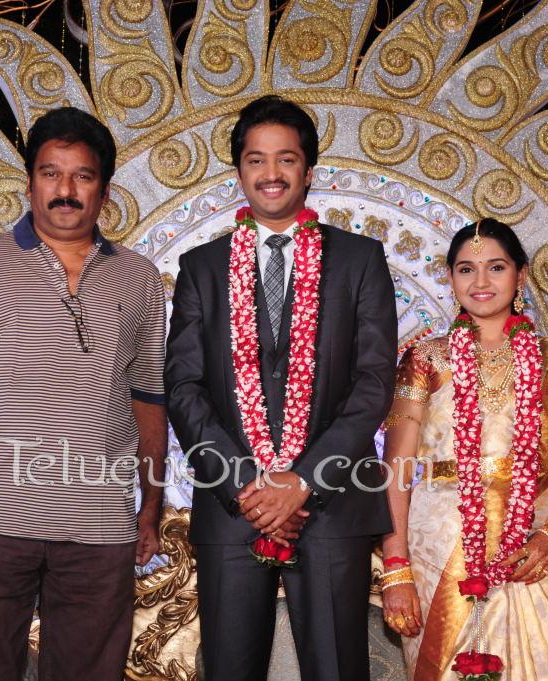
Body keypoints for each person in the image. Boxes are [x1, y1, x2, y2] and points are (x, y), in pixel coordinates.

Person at [0, 107, 168, 681]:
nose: (65, 190)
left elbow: (149, 399)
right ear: (30, 184)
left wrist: (149, 507)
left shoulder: (139, 277)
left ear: (104, 191)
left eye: (82, 176)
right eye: (51, 173)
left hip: (100, 522)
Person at [165, 95, 398, 681]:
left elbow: (373, 383)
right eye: (256, 160)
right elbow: (184, 386)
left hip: (333, 505)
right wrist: (247, 486)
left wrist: (304, 480)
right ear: (239, 172)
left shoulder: (360, 260)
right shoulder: (201, 267)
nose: (271, 173)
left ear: (308, 170)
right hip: (233, 507)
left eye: (286, 159)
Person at [380, 218, 548, 680]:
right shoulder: (425, 360)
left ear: (521, 274)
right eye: (466, 269)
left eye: (496, 267)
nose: (481, 282)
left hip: (541, 542)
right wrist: (396, 567)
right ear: (450, 278)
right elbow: (396, 466)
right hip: (440, 542)